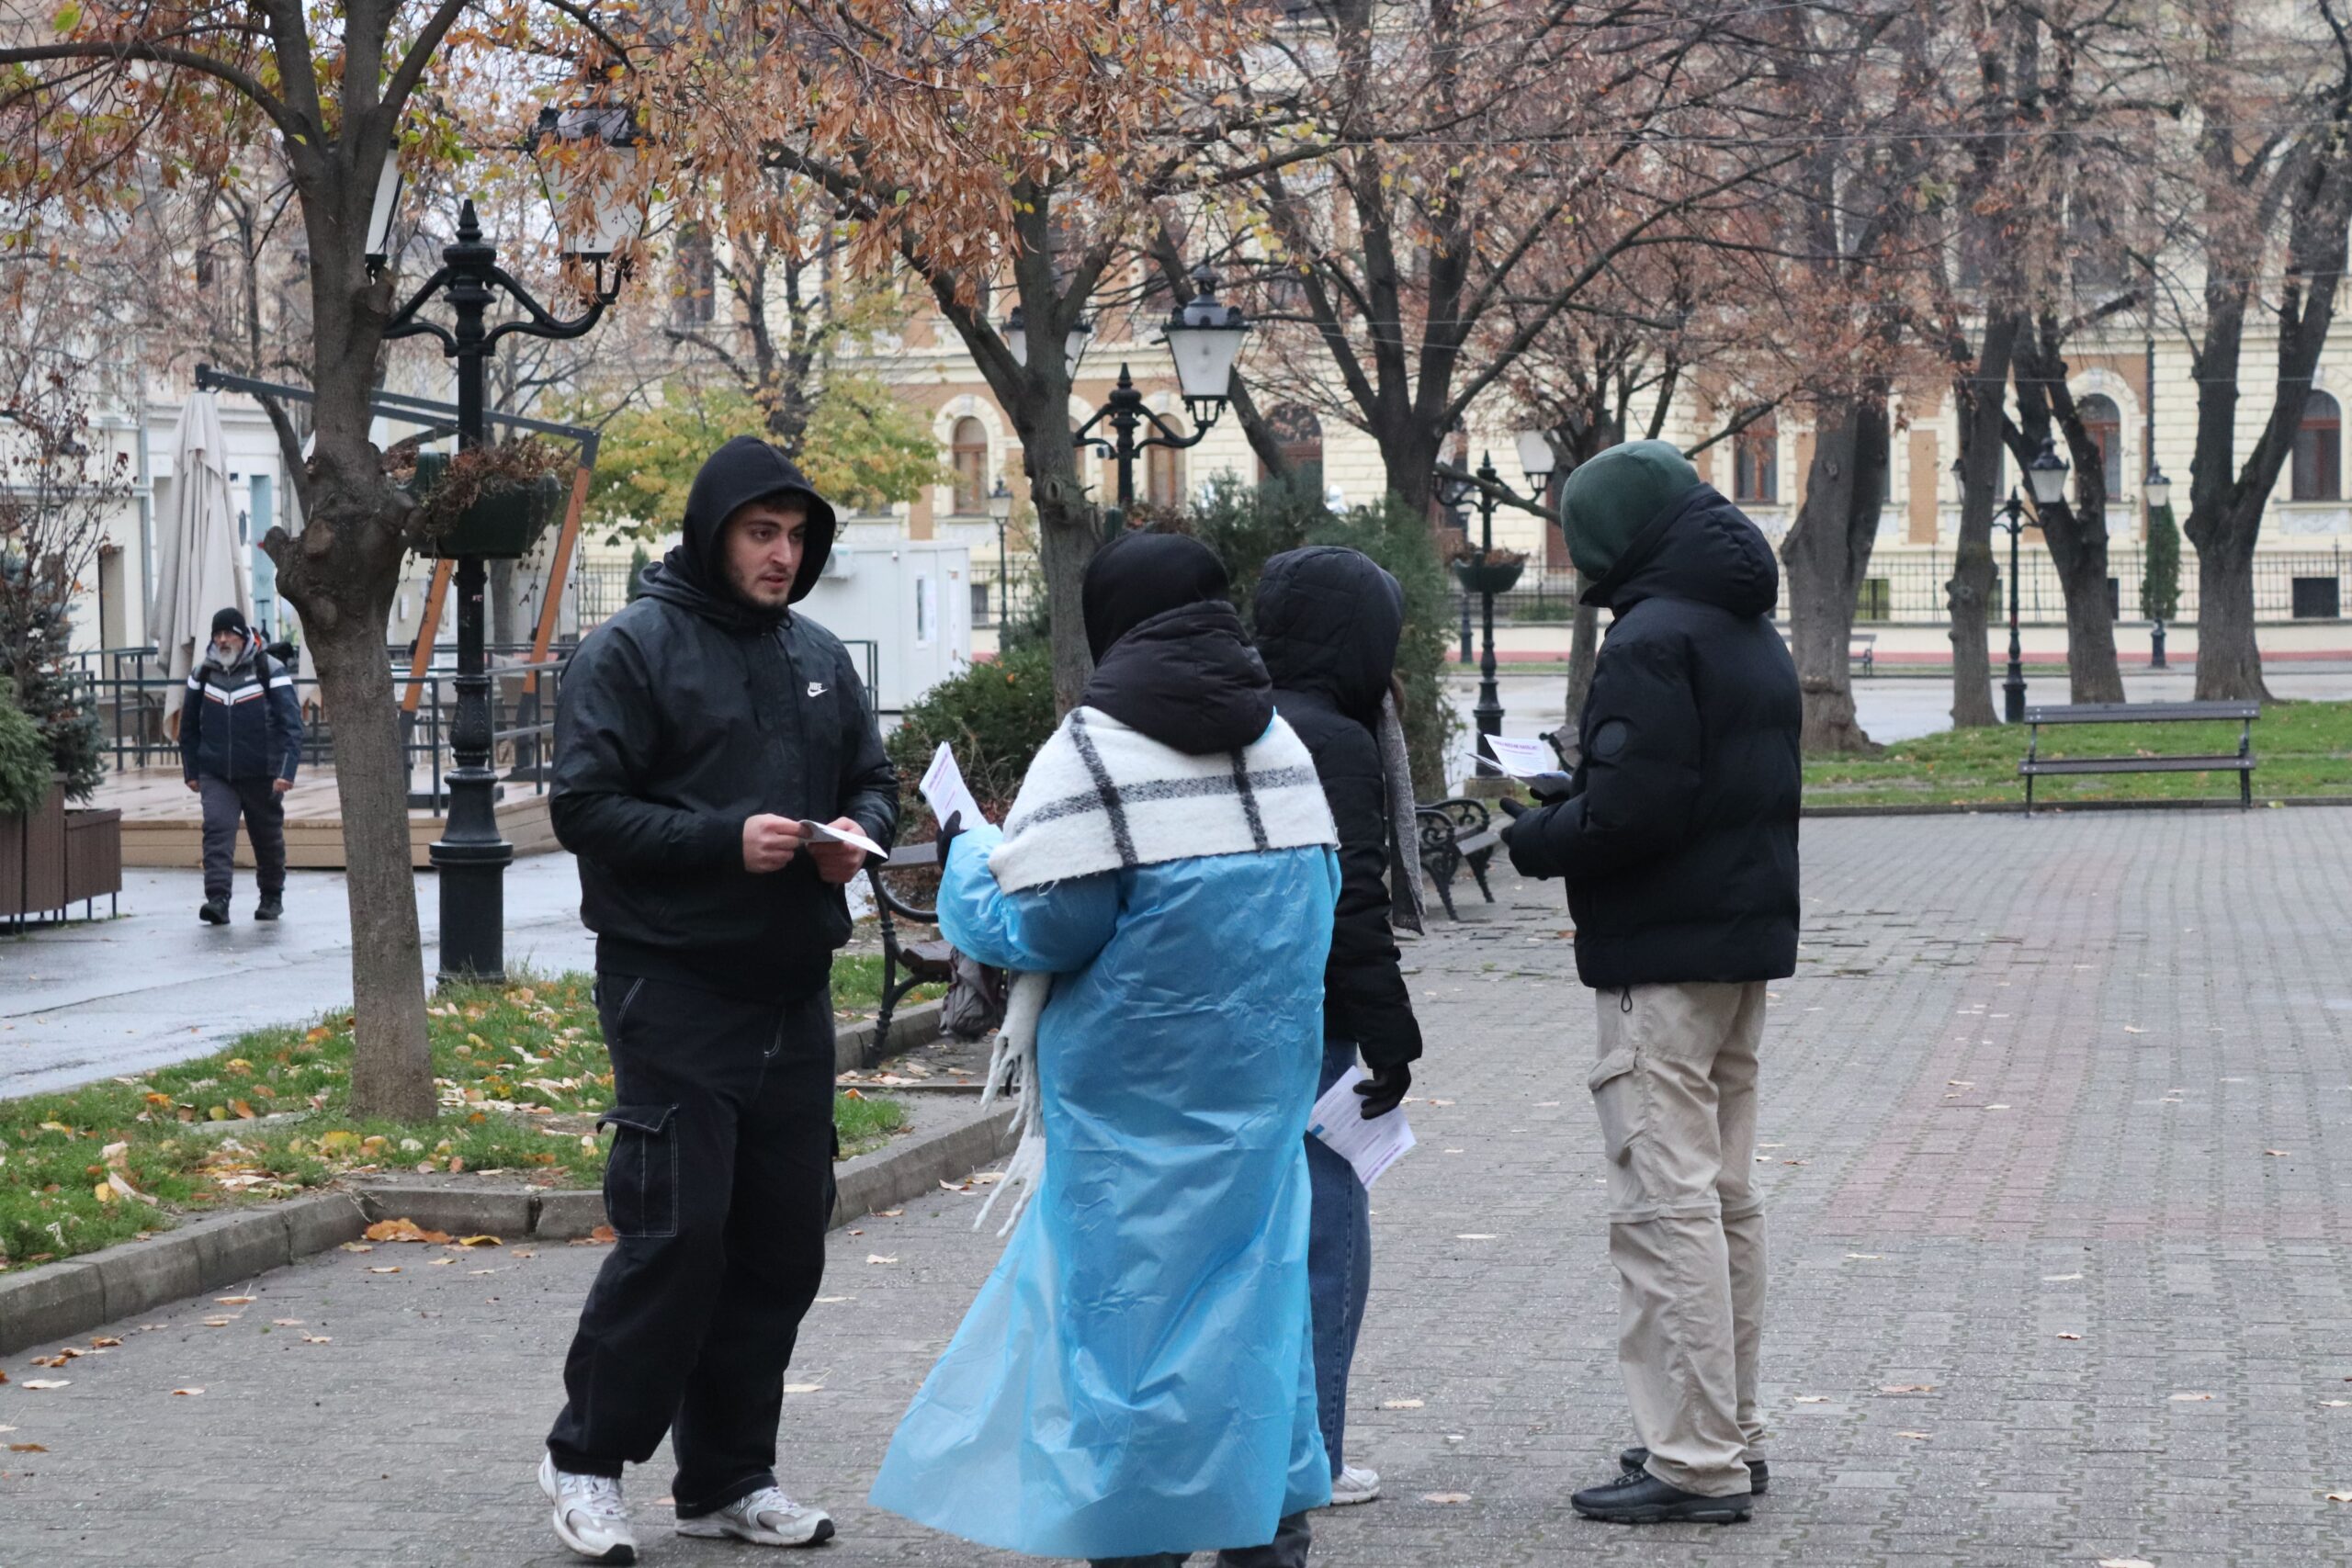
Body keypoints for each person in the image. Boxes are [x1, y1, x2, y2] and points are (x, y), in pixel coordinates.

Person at [869, 531, 1341, 1568]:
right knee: (1253, 1309)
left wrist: (970, 862)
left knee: (1122, 1333)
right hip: (1260, 1096)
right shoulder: (1282, 745)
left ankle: (1139, 1537)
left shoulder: (1092, 750)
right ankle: (1267, 1527)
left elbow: (1044, 929)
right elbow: (1320, 902)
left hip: (1128, 1113)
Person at [540, 436, 897, 1563]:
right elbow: (584, 808)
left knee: (781, 1247)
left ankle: (728, 1481)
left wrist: (861, 837)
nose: (782, 555)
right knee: (674, 1237)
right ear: (712, 532)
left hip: (792, 989)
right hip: (670, 982)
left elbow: (871, 779)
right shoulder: (629, 649)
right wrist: (717, 842)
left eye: (796, 537)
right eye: (761, 533)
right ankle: (586, 1460)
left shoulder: (819, 655)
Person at [1498, 440, 1800, 1527]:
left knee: (1660, 1200)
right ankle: (1730, 1430)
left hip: (1660, 960)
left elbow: (1635, 814)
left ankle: (1691, 1458)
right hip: (1739, 946)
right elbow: (1699, 787)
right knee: (1721, 1197)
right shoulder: (1744, 625)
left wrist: (1537, 832)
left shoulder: (1648, 639)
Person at [1251, 546, 1425, 1509]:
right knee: (1329, 1238)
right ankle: (1312, 1447)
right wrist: (1391, 1037)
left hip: (1229, 1021)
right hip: (1313, 1025)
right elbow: (1349, 902)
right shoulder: (1335, 738)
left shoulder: (1246, 715)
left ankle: (1272, 1437)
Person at [178, 606, 300, 924]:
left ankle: (272, 897)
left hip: (263, 772)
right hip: (216, 772)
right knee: (217, 831)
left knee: (267, 837)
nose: (222, 640)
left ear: (243, 635)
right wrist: (191, 771)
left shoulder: (268, 669)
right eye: (217, 634)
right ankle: (217, 900)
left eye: (228, 633)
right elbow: (187, 727)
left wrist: (286, 771)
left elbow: (292, 725)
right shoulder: (202, 673)